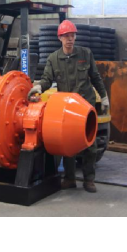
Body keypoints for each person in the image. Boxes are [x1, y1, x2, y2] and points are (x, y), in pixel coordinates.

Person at [28, 20, 109, 193]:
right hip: (68, 109)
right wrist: (38, 88)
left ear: (75, 37)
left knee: (90, 145)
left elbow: (95, 77)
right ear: (59, 38)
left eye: (72, 35)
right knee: (68, 144)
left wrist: (104, 97)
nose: (69, 39)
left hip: (86, 107)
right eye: (66, 36)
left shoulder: (85, 54)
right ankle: (70, 178)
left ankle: (89, 180)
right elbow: (47, 80)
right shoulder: (53, 59)